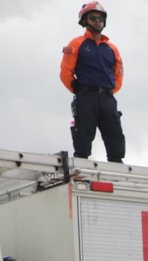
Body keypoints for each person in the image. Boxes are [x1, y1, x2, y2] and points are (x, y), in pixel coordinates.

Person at [60, 2, 125, 163]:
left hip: (107, 99)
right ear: (85, 21)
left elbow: (118, 74)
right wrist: (77, 88)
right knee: (83, 134)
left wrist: (109, 92)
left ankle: (116, 164)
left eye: (100, 18)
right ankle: (81, 164)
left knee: (115, 134)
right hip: (86, 97)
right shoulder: (76, 43)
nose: (97, 21)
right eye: (93, 18)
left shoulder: (112, 48)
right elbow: (65, 72)